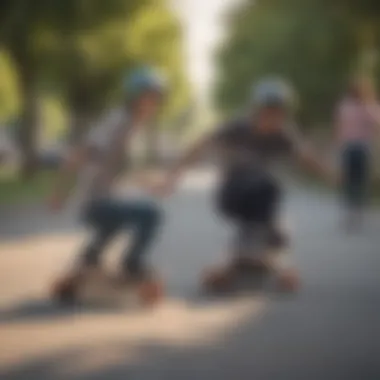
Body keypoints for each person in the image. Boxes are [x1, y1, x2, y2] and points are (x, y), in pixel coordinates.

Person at [155, 78, 335, 291]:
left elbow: (306, 157)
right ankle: (247, 251)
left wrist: (333, 176)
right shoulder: (237, 128)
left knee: (279, 231)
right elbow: (199, 145)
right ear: (256, 110)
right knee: (267, 185)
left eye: (278, 114)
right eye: (268, 113)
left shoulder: (283, 134)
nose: (272, 120)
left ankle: (254, 256)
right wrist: (172, 177)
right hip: (231, 195)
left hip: (258, 198)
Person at [49, 66, 167, 300]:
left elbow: (121, 168)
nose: (152, 103)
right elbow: (81, 152)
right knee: (151, 214)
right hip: (94, 200)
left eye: (156, 98)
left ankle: (88, 262)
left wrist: (151, 183)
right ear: (134, 97)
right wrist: (59, 192)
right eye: (148, 96)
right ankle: (131, 264)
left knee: (117, 220)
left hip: (104, 198)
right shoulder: (118, 121)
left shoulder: (131, 126)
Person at [335, 76, 380, 230]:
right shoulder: (352, 105)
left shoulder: (356, 106)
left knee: (357, 180)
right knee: (353, 180)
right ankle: (353, 212)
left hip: (357, 147)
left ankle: (356, 212)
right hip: (355, 147)